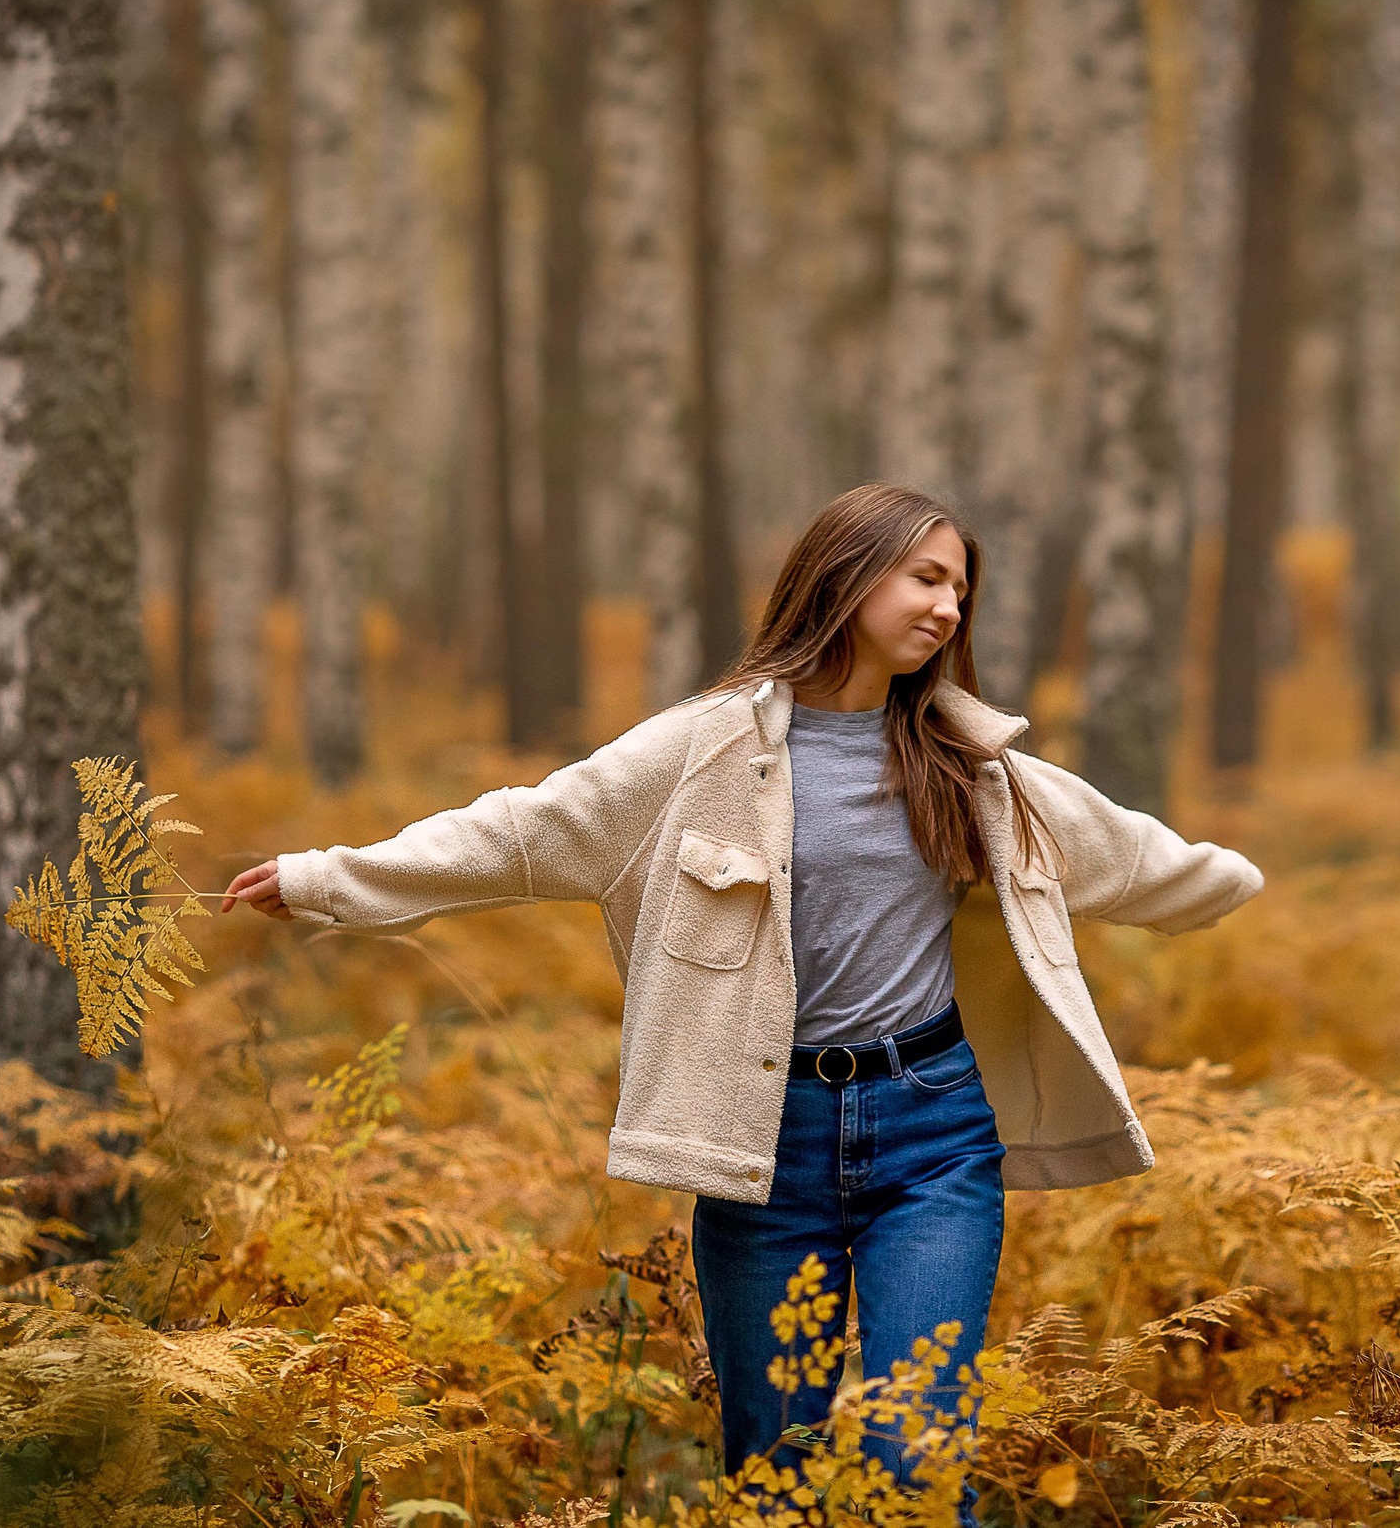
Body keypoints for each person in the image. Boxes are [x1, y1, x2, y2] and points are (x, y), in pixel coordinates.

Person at [223, 482, 1266, 1516]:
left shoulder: (972, 762)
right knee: (775, 1470)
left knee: (917, 1456)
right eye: (926, 577)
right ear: (847, 573)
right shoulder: (699, 749)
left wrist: (1234, 883)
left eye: (961, 589)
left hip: (935, 1134)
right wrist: (327, 879)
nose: (949, 608)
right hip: (759, 1144)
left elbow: (1128, 853)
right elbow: (526, 830)